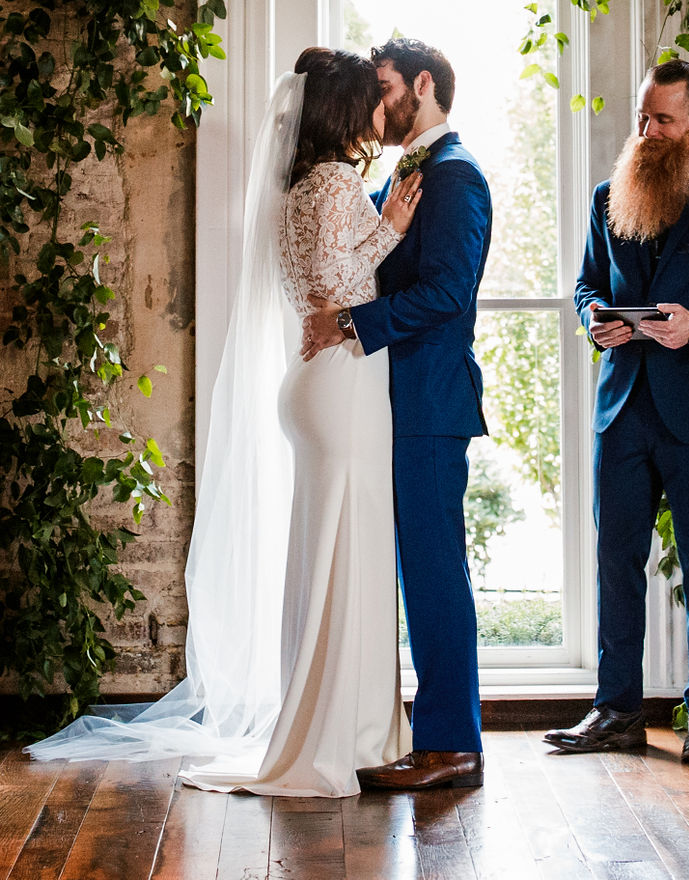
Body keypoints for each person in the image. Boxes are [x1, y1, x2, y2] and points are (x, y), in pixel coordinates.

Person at [30, 48, 422, 798]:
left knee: (326, 555)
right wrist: (393, 228)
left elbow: (312, 288)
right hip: (340, 386)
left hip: (311, 384)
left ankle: (336, 723)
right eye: (372, 97)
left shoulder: (293, 188)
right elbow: (338, 288)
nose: (383, 107)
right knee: (349, 555)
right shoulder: (340, 184)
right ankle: (343, 734)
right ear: (345, 110)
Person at [544, 59, 689, 763]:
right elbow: (588, 284)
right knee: (617, 563)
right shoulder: (604, 198)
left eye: (663, 120)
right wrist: (595, 320)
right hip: (621, 410)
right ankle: (616, 709)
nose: (647, 131)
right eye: (643, 116)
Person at [302, 37, 492, 791]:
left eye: (384, 88)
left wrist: (350, 325)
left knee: (434, 573)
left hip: (430, 404)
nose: (376, 106)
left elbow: (448, 294)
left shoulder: (455, 177)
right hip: (385, 403)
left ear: (423, 85)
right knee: (406, 571)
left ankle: (452, 743)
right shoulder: (402, 175)